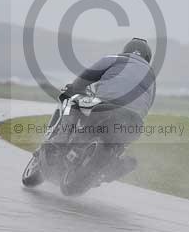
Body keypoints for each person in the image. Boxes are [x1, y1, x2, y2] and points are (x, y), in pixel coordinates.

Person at [60, 37, 156, 182]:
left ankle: (61, 139)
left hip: (106, 108)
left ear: (126, 50)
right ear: (148, 58)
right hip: (135, 121)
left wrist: (74, 89)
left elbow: (85, 78)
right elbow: (148, 105)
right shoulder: (151, 77)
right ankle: (115, 164)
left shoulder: (115, 59)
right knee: (119, 144)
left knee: (73, 104)